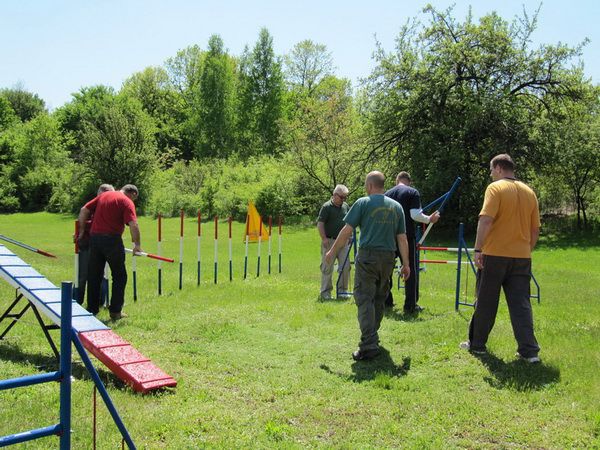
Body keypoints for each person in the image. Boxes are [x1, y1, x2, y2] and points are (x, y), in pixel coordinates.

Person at [460, 154, 541, 363]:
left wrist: (478, 249)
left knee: (486, 301)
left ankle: (477, 345)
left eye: (490, 170)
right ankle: (529, 351)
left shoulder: (495, 188)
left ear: (498, 168)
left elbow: (486, 220)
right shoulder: (530, 192)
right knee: (521, 304)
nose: (490, 174)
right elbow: (535, 230)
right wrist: (526, 250)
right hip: (522, 257)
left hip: (494, 255)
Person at [325, 171, 410, 361]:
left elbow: (347, 231)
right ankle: (372, 336)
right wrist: (406, 264)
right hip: (389, 258)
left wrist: (331, 252)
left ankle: (369, 345)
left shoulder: (362, 203)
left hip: (368, 257)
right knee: (379, 299)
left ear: (370, 186)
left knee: (364, 299)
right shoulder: (396, 207)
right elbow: (402, 238)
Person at [78, 184, 142, 320]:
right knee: (120, 276)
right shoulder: (126, 201)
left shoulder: (104, 195)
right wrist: (137, 245)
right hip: (112, 240)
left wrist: (82, 231)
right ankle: (115, 312)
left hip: (95, 239)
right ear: (133, 194)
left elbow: (84, 210)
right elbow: (133, 224)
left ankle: (91, 310)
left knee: (94, 275)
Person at [384, 172, 440, 313]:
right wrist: (429, 219)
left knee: (387, 270)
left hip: (388, 236)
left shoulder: (387, 194)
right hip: (406, 236)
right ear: (409, 181)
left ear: (397, 180)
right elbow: (415, 215)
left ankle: (386, 301)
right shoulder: (412, 192)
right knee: (411, 270)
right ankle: (410, 305)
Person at [76, 183, 115, 305]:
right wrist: (79, 232)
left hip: (101, 245)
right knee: (82, 276)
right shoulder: (92, 206)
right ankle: (77, 301)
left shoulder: (109, 207)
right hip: (87, 244)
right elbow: (82, 219)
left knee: (101, 275)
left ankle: (99, 302)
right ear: (100, 194)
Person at [317, 184, 351, 300]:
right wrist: (324, 238)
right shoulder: (326, 207)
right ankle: (325, 292)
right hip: (329, 241)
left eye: (345, 197)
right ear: (335, 195)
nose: (344, 200)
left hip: (343, 242)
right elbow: (320, 224)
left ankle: (342, 291)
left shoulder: (346, 206)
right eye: (342, 197)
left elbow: (349, 223)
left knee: (345, 266)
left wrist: (350, 236)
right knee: (327, 266)